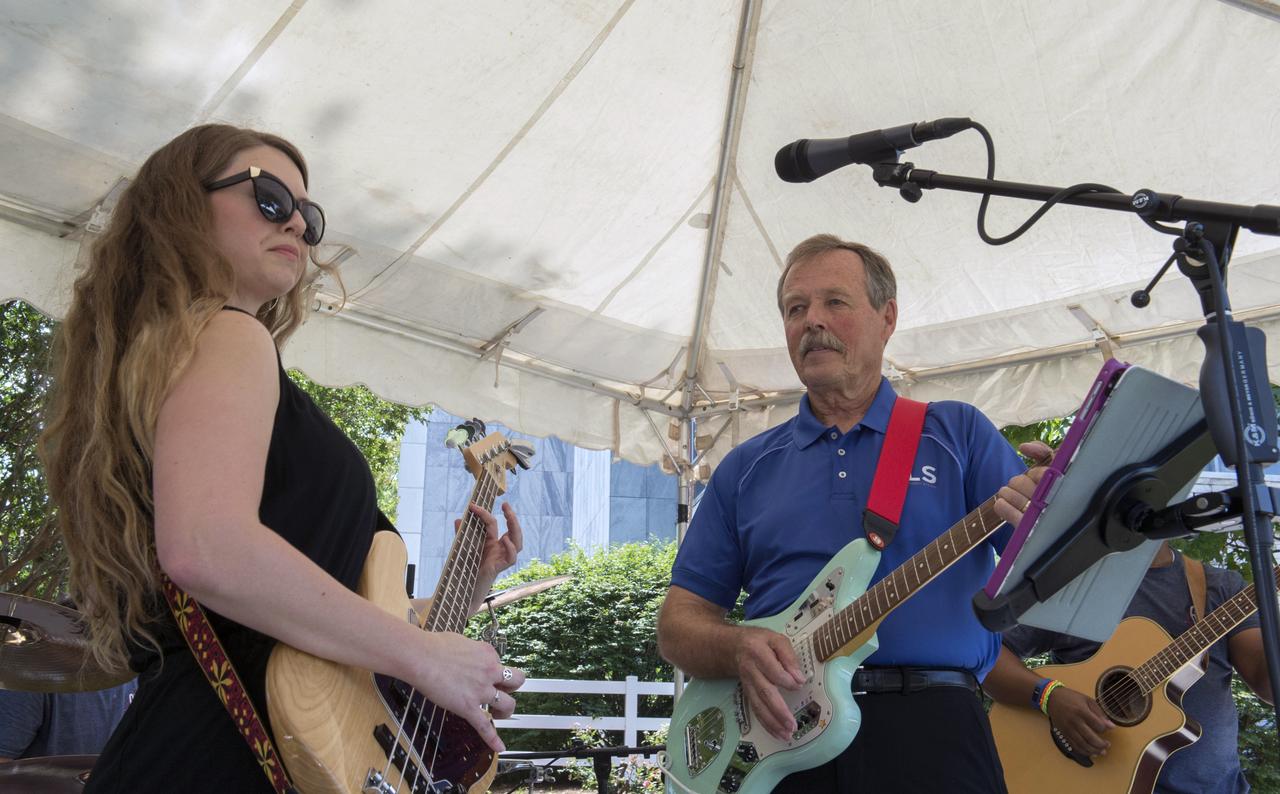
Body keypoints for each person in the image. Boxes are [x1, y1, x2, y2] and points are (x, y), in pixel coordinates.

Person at [39, 124, 526, 792]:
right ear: (182, 206)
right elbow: (207, 548)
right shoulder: (231, 336)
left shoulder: (176, 354)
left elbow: (296, 622)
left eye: (310, 214)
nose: (298, 221)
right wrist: (426, 656)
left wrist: (454, 600)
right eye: (270, 198)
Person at [657, 234, 1037, 793]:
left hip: (934, 730)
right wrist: (738, 647)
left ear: (887, 318)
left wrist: (1053, 510)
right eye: (795, 309)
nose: (812, 321)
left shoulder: (958, 433)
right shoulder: (744, 468)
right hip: (781, 739)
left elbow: (1044, 567)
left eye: (835, 302)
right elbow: (677, 626)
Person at [993, 535, 1273, 794]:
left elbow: (1269, 685)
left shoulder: (1220, 587)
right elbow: (989, 658)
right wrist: (1049, 696)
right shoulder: (1073, 585)